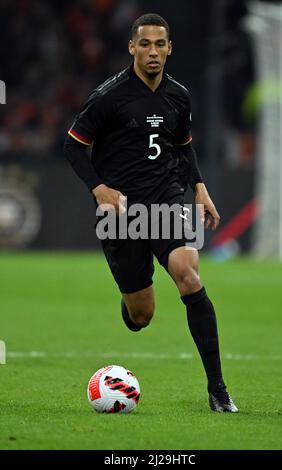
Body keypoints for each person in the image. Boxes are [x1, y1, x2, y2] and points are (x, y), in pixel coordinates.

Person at [64, 13, 238, 413]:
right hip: (122, 214)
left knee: (189, 274)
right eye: (145, 44)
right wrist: (99, 188)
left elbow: (183, 144)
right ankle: (131, 303)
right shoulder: (109, 96)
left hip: (168, 199)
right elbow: (73, 147)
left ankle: (218, 389)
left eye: (160, 44)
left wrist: (199, 188)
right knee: (141, 316)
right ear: (132, 48)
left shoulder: (179, 95)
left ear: (170, 48)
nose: (153, 51)